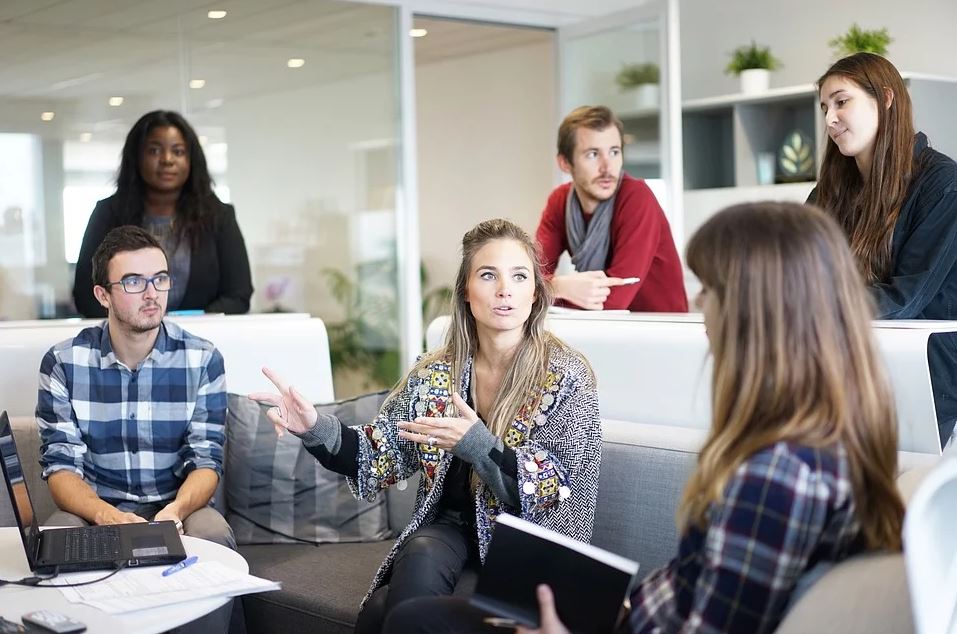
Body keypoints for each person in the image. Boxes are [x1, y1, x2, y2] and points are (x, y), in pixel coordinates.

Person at [513, 203, 904, 633]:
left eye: (711, 289)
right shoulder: (824, 439)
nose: (700, 305)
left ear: (755, 313)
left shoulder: (776, 476)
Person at [251, 219, 602, 632]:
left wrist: (478, 445)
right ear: (467, 293)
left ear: (534, 293)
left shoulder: (566, 376)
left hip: (527, 543)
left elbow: (560, 493)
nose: (504, 288)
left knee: (385, 609)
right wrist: (313, 426)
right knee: (419, 552)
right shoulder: (436, 373)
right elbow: (377, 454)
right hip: (449, 529)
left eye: (519, 276)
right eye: (488, 275)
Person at [38, 226, 234, 549]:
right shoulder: (63, 363)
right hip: (96, 509)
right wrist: (108, 516)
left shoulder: (203, 360)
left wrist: (175, 511)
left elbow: (206, 462)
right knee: (56, 536)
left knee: (212, 534)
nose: (152, 293)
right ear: (103, 295)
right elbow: (60, 469)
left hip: (177, 508)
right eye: (133, 282)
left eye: (160, 278)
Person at [809, 52, 957, 447]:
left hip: (927, 376)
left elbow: (905, 298)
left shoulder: (943, 184)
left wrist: (808, 305)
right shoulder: (828, 193)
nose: (829, 119)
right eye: (825, 107)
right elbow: (796, 271)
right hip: (848, 364)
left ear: (886, 99)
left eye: (842, 101)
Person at [73, 110, 253, 317]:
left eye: (178, 151)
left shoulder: (219, 217)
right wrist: (140, 326)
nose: (167, 160)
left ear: (191, 160)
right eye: (154, 151)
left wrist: (186, 329)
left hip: (201, 341)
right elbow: (86, 296)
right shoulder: (108, 214)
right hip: (127, 343)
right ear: (136, 157)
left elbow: (238, 295)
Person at [535, 105, 687, 312]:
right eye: (592, 154)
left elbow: (613, 301)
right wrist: (558, 286)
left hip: (659, 332)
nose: (607, 167)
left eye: (614, 152)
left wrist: (548, 290)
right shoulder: (560, 201)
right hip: (604, 331)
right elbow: (529, 278)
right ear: (565, 163)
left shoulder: (637, 197)